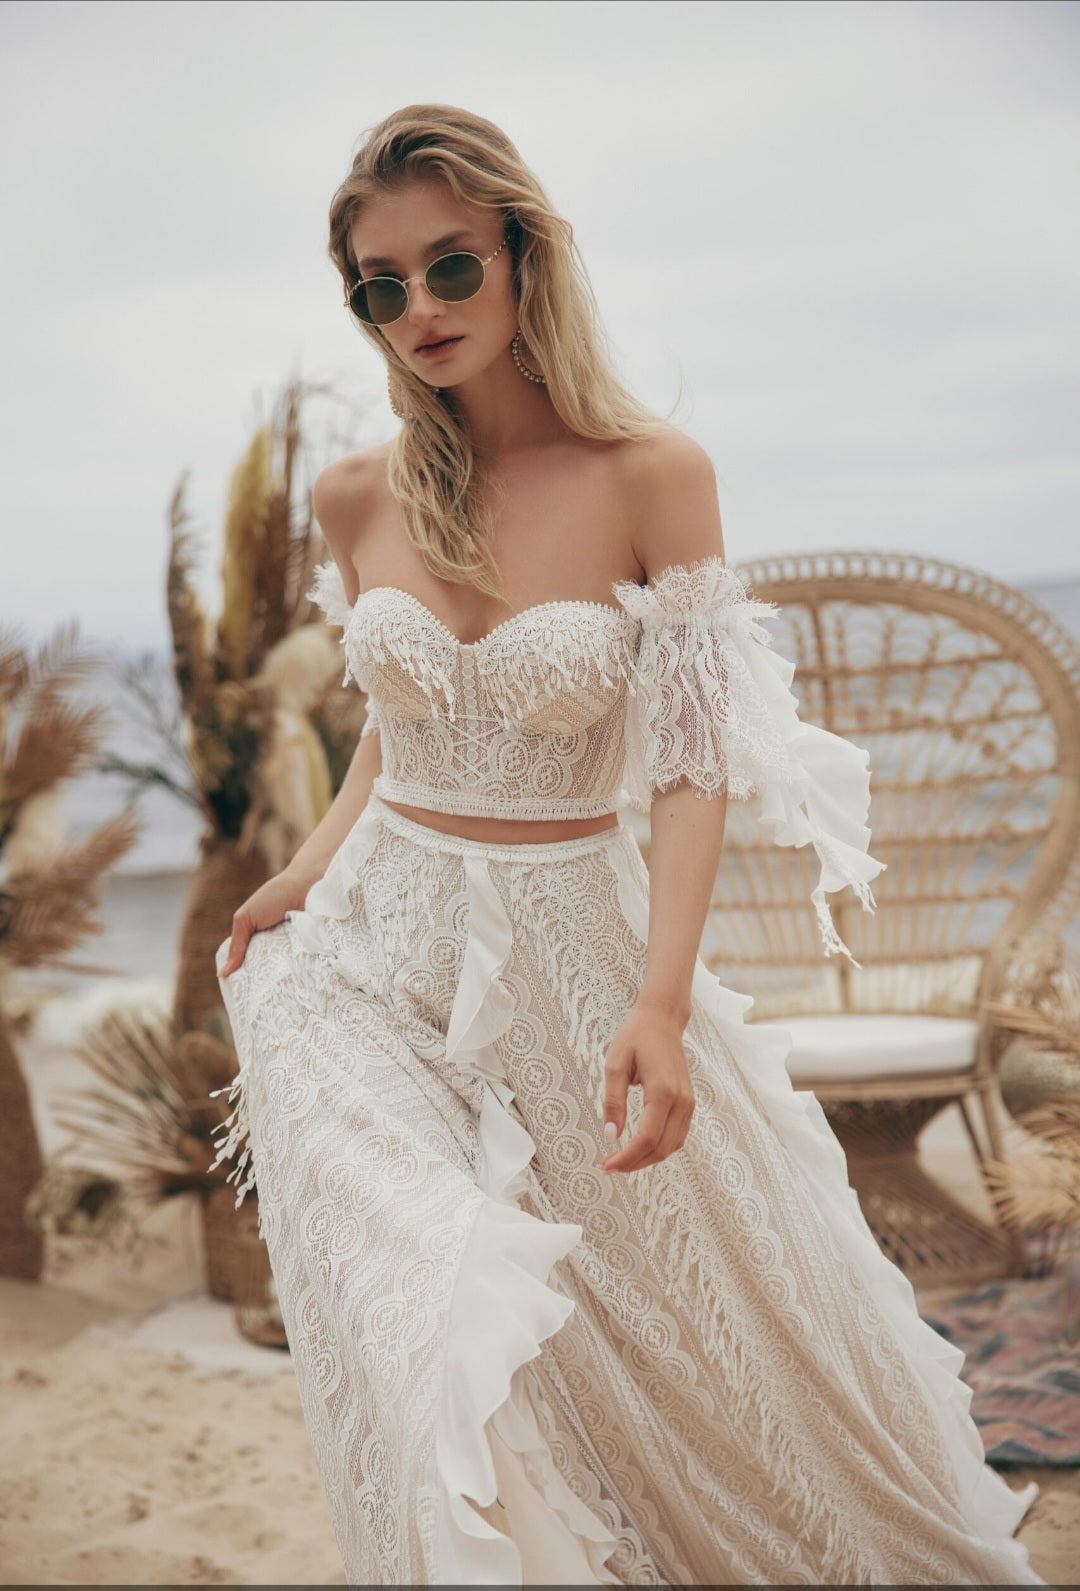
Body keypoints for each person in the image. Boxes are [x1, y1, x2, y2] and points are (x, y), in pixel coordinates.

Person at [211, 104, 1046, 1587]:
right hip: (365, 954)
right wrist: (307, 868)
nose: (418, 313)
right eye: (379, 287)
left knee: (682, 1334)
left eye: (450, 268)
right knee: (428, 1292)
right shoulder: (360, 496)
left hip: (575, 953)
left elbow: (688, 764)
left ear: (528, 258)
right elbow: (399, 726)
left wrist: (659, 1004)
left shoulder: (651, 475)